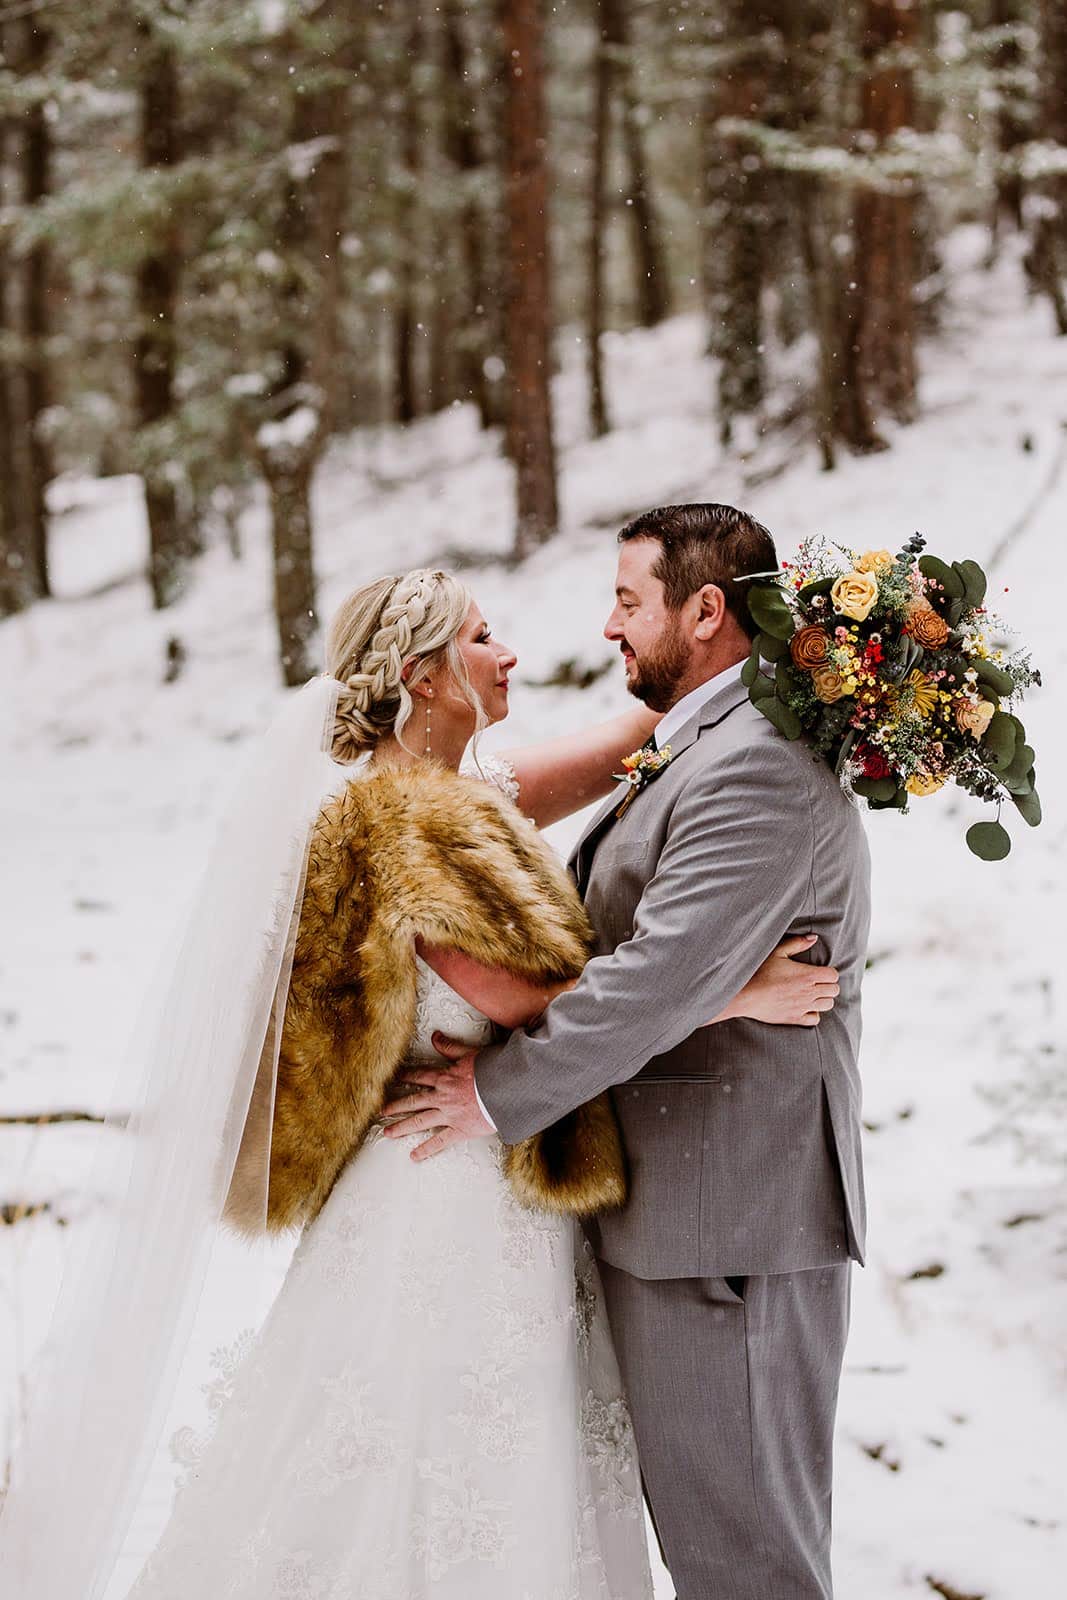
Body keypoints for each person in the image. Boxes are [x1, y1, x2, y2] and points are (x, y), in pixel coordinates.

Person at [0, 564, 839, 1600]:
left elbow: (630, 748)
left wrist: (809, 669)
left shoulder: (448, 794)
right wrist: (729, 991)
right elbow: (535, 995)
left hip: (483, 1174)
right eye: (484, 637)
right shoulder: (400, 826)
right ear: (425, 676)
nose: (510, 653)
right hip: (448, 1194)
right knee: (433, 1464)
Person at [386, 507, 872, 1600]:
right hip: (680, 1208)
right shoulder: (701, 737)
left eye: (625, 601)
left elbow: (650, 979)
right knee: (714, 1543)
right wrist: (727, 989)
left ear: (705, 611)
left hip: (729, 1222)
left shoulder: (756, 765)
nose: (605, 628)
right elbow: (654, 966)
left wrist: (495, 1096)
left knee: (744, 1558)